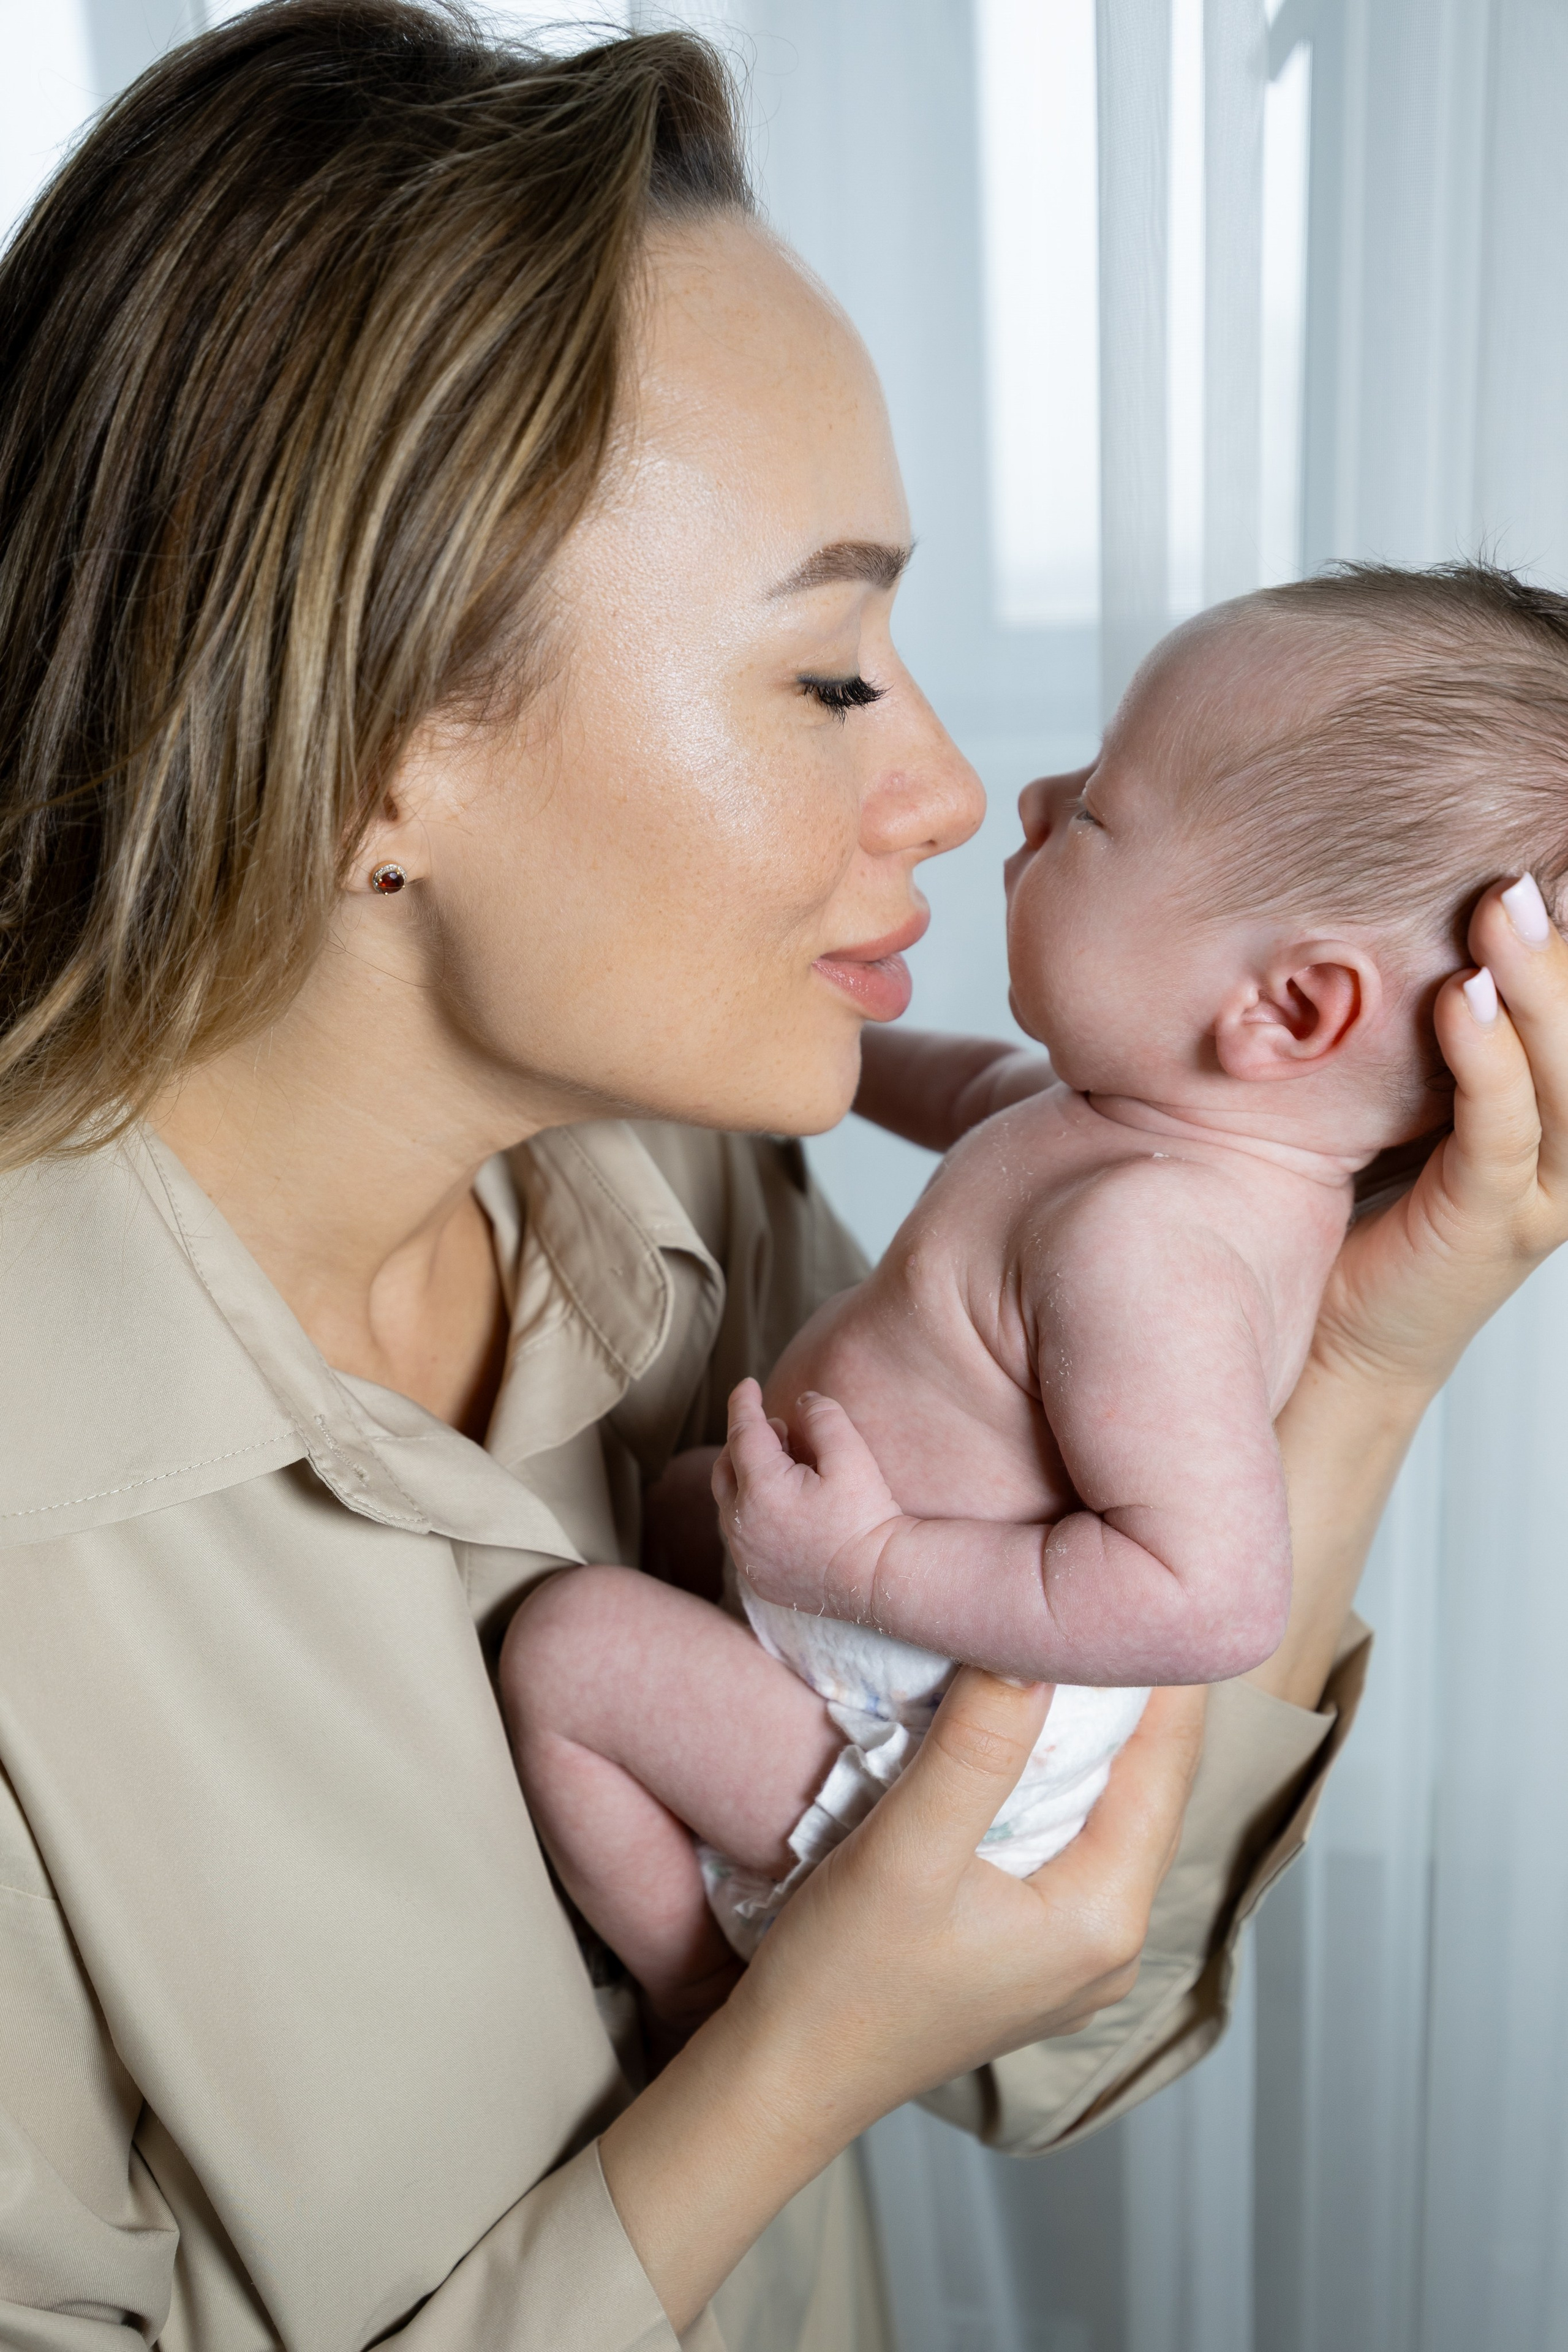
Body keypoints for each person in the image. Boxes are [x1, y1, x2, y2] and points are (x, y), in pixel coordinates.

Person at [0, 7, 1564, 2347]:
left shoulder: (685, 1187)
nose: (944, 785)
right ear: (374, 754)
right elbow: (918, 1995)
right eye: (832, 674)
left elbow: (1057, 2019)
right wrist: (789, 2059)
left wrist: (1374, 1348)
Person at [499, 560, 1568, 2014]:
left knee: (572, 1654)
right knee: (680, 1504)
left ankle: (700, 1996)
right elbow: (960, 1090)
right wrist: (782, 1015)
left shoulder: (1152, 1247)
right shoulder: (1137, 1130)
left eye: (1098, 811)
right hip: (865, 1641)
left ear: (1283, 1008)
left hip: (912, 1745)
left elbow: (1208, 1600)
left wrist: (864, 1568)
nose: (1028, 804)